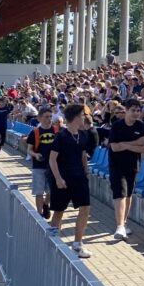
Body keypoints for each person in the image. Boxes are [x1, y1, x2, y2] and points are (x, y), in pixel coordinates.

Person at [48, 104, 94, 258]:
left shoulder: (83, 135)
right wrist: (58, 179)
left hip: (79, 178)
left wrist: (86, 170)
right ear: (75, 117)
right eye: (82, 115)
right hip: (63, 180)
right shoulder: (61, 136)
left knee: (85, 208)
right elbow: (52, 159)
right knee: (59, 212)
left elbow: (82, 154)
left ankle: (77, 244)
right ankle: (52, 244)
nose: (84, 118)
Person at [107, 99, 144, 240]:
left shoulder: (141, 126)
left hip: (133, 165)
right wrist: (134, 144)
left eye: (138, 111)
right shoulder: (117, 126)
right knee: (120, 194)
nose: (136, 113)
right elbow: (115, 147)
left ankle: (124, 224)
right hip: (116, 165)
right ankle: (119, 226)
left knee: (128, 195)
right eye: (133, 110)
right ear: (126, 110)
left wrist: (124, 144)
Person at [25, 107, 60, 219]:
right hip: (38, 165)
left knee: (51, 190)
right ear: (39, 118)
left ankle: (46, 204)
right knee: (39, 191)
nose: (49, 119)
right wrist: (35, 155)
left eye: (50, 116)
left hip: (53, 166)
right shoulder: (34, 132)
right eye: (46, 117)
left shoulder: (57, 131)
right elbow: (29, 149)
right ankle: (39, 214)